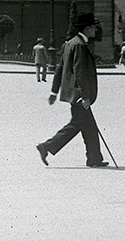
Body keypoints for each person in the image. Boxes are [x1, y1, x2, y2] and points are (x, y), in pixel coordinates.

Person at [37, 13, 107, 168]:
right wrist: (85, 95)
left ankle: (94, 158)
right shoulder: (80, 45)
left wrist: (54, 91)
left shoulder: (70, 43)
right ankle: (46, 146)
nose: (95, 30)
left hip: (73, 93)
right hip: (79, 95)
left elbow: (59, 69)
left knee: (88, 125)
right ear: (87, 28)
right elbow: (80, 72)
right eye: (93, 27)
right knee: (77, 124)